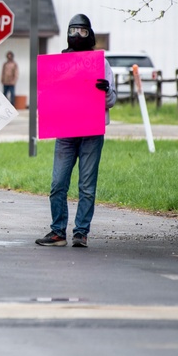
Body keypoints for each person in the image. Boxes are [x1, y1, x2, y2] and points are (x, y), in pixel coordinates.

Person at [36, 14, 116, 249]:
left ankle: (81, 232)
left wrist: (105, 91)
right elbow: (50, 97)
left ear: (89, 34)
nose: (77, 36)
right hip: (66, 130)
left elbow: (112, 100)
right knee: (58, 183)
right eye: (73, 31)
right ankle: (57, 231)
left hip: (91, 131)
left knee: (87, 185)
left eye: (82, 31)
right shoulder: (60, 63)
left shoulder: (100, 63)